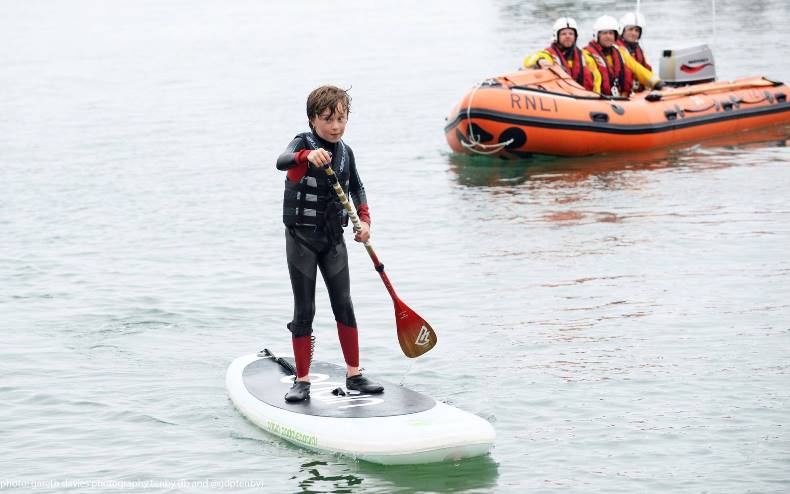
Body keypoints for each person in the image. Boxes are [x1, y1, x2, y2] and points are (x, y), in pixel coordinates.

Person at [276, 85, 384, 403]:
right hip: (302, 239)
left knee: (344, 304)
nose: (336, 126)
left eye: (341, 119)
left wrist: (365, 222)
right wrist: (306, 156)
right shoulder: (303, 142)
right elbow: (281, 161)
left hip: (333, 240)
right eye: (328, 119)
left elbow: (358, 188)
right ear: (313, 119)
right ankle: (302, 380)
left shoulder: (346, 153)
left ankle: (355, 374)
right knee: (305, 308)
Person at [584, 15, 665, 97]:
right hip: (601, 98)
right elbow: (595, 79)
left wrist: (656, 83)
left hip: (621, 98)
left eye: (611, 33)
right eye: (604, 33)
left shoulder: (620, 52)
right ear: (597, 35)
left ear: (615, 36)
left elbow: (637, 68)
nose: (608, 36)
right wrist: (596, 98)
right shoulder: (588, 55)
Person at [523, 17, 598, 92]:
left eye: (571, 33)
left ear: (575, 37)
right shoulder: (549, 55)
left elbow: (597, 80)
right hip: (560, 95)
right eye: (563, 34)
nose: (568, 36)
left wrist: (597, 96)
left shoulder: (585, 57)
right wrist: (540, 60)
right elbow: (528, 61)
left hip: (585, 96)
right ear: (556, 36)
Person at [617, 12, 654, 93]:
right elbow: (635, 67)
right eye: (630, 29)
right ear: (622, 30)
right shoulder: (617, 49)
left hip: (637, 93)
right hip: (623, 94)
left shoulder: (638, 49)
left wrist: (655, 85)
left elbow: (646, 68)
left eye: (637, 30)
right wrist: (656, 82)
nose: (634, 33)